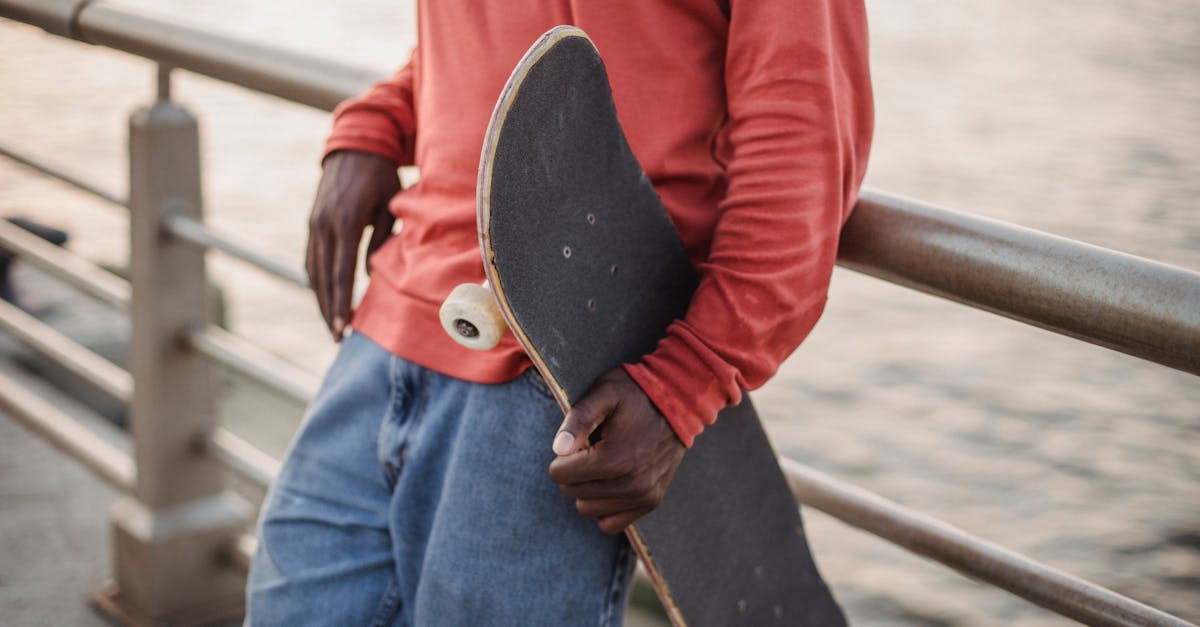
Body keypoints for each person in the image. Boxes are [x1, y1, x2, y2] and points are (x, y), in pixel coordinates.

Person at [246, 1, 873, 625]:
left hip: (568, 358)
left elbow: (802, 140)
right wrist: (375, 123)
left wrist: (688, 379)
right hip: (395, 318)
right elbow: (494, 41)